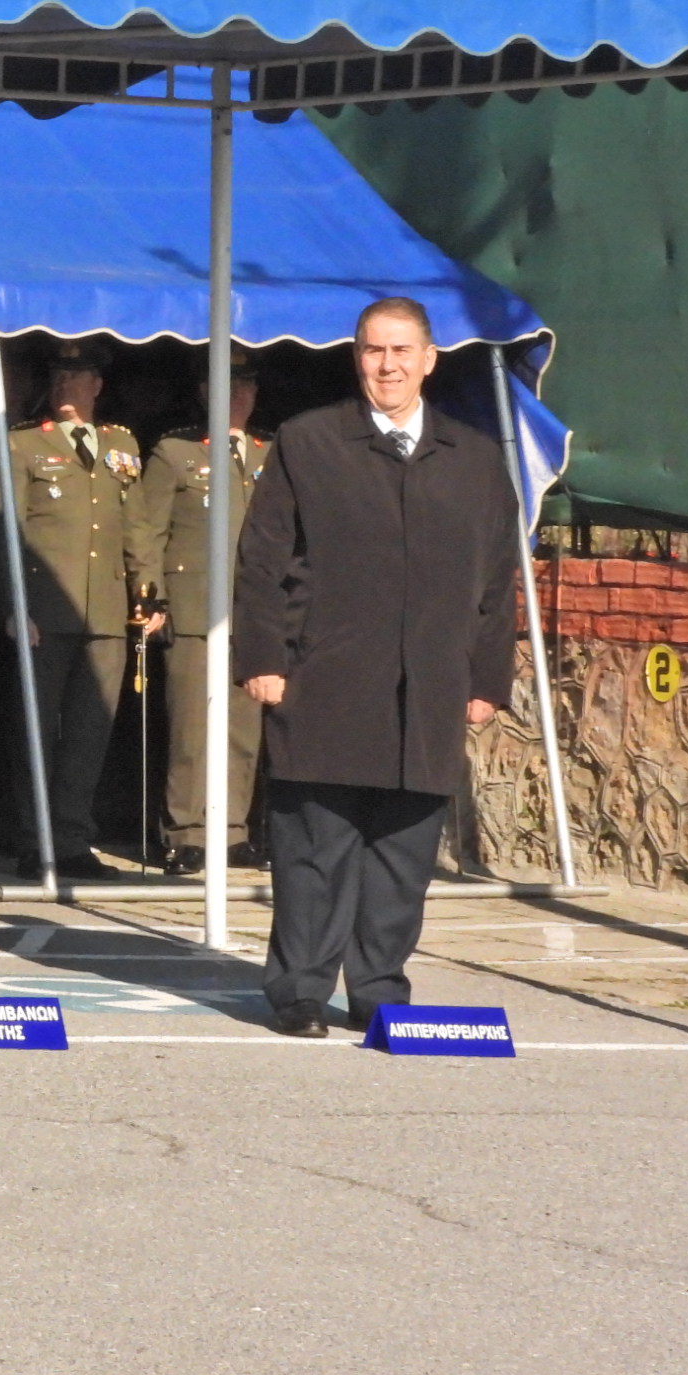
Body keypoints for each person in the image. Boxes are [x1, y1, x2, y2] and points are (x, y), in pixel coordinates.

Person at [235, 297, 519, 1038]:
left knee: (401, 857)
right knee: (315, 852)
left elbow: (496, 580)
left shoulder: (477, 458)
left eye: (401, 352)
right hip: (324, 677)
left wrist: (488, 679)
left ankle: (378, 988)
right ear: (355, 357)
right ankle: (299, 990)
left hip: (428, 685)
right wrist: (263, 658)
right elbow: (261, 562)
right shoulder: (309, 441)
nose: (386, 366)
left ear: (429, 359)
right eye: (372, 351)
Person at [0, 337, 140, 881]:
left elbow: (137, 527)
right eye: (56, 377)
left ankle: (73, 838)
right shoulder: (24, 445)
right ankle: (35, 841)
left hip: (104, 612)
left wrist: (149, 593)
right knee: (35, 730)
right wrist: (14, 605)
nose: (64, 387)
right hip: (44, 615)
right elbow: (6, 532)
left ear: (97, 386)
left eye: (75, 378)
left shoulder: (120, 444)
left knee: (88, 733)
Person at [124, 347, 270, 876]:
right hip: (192, 609)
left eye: (246, 384)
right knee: (191, 727)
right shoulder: (175, 452)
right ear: (205, 392)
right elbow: (147, 530)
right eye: (226, 384)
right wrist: (151, 595)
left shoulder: (267, 453)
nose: (237, 394)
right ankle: (185, 832)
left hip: (252, 610)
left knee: (242, 728)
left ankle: (232, 831)